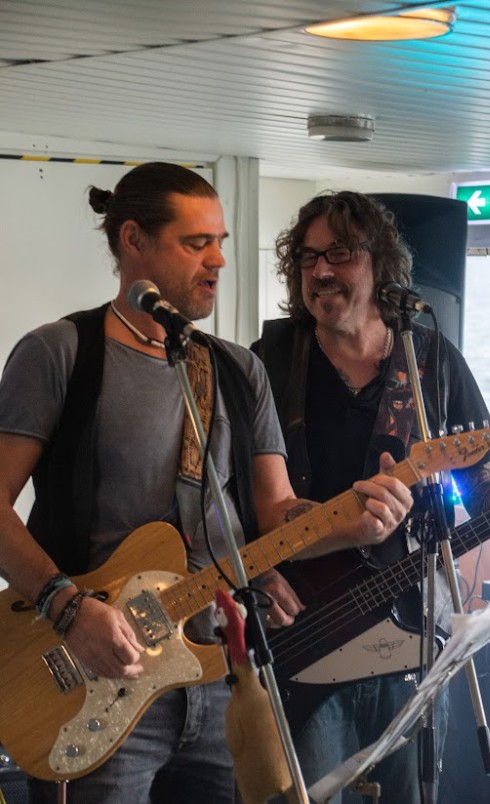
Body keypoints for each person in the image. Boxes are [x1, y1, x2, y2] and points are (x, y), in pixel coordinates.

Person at [0, 166, 413, 804]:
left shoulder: (237, 369)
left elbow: (277, 514)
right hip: (94, 677)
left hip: (221, 673)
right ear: (133, 240)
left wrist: (348, 522)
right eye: (197, 244)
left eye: (221, 241)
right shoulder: (61, 353)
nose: (219, 260)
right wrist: (67, 607)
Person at [251, 190, 490, 804]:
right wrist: (257, 573)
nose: (320, 270)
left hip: (407, 635)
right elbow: (226, 501)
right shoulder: (270, 362)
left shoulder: (430, 359)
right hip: (300, 636)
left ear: (380, 266)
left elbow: (485, 482)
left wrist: (468, 563)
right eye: (307, 258)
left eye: (339, 253)